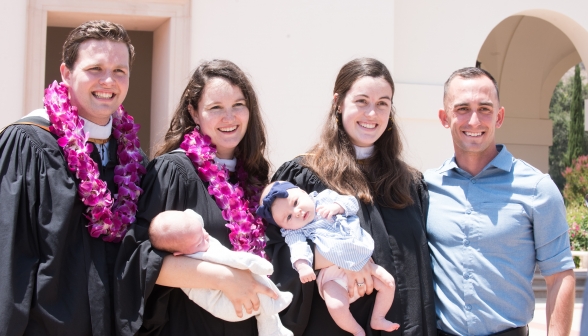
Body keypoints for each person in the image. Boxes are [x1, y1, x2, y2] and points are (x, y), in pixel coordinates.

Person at [267, 58, 437, 336]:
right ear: (338, 102)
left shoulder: (409, 184)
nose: (372, 113)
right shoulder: (302, 177)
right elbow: (274, 254)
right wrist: (346, 257)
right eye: (362, 101)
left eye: (383, 103)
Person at [0, 20, 147, 335]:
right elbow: (8, 259)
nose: (108, 80)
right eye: (95, 68)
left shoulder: (132, 161)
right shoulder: (29, 145)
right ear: (66, 74)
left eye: (120, 71)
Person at [115, 59, 280, 335]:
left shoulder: (255, 178)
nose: (229, 118)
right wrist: (224, 278)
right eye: (215, 108)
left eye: (238, 105)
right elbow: (139, 262)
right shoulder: (174, 172)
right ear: (194, 112)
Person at [425, 67, 576, 336]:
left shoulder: (537, 189)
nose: (474, 120)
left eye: (485, 108)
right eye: (462, 108)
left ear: (500, 116)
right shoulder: (426, 188)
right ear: (444, 118)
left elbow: (560, 277)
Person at [257, 181, 399, 336]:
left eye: (296, 202)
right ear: (283, 226)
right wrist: (303, 265)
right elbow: (298, 249)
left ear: (303, 192)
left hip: (360, 258)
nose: (297, 212)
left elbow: (352, 202)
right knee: (336, 306)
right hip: (331, 277)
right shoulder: (295, 232)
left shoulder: (325, 199)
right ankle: (356, 331)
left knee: (388, 283)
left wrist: (337, 206)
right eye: (288, 217)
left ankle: (378, 318)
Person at [148, 209, 293, 336]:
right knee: (262, 299)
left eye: (202, 232)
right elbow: (235, 259)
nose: (206, 237)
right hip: (225, 305)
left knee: (264, 311)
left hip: (237, 311)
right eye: (199, 242)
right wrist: (258, 266)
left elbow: (194, 219)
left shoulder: (192, 238)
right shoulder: (200, 255)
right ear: (179, 254)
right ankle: (277, 300)